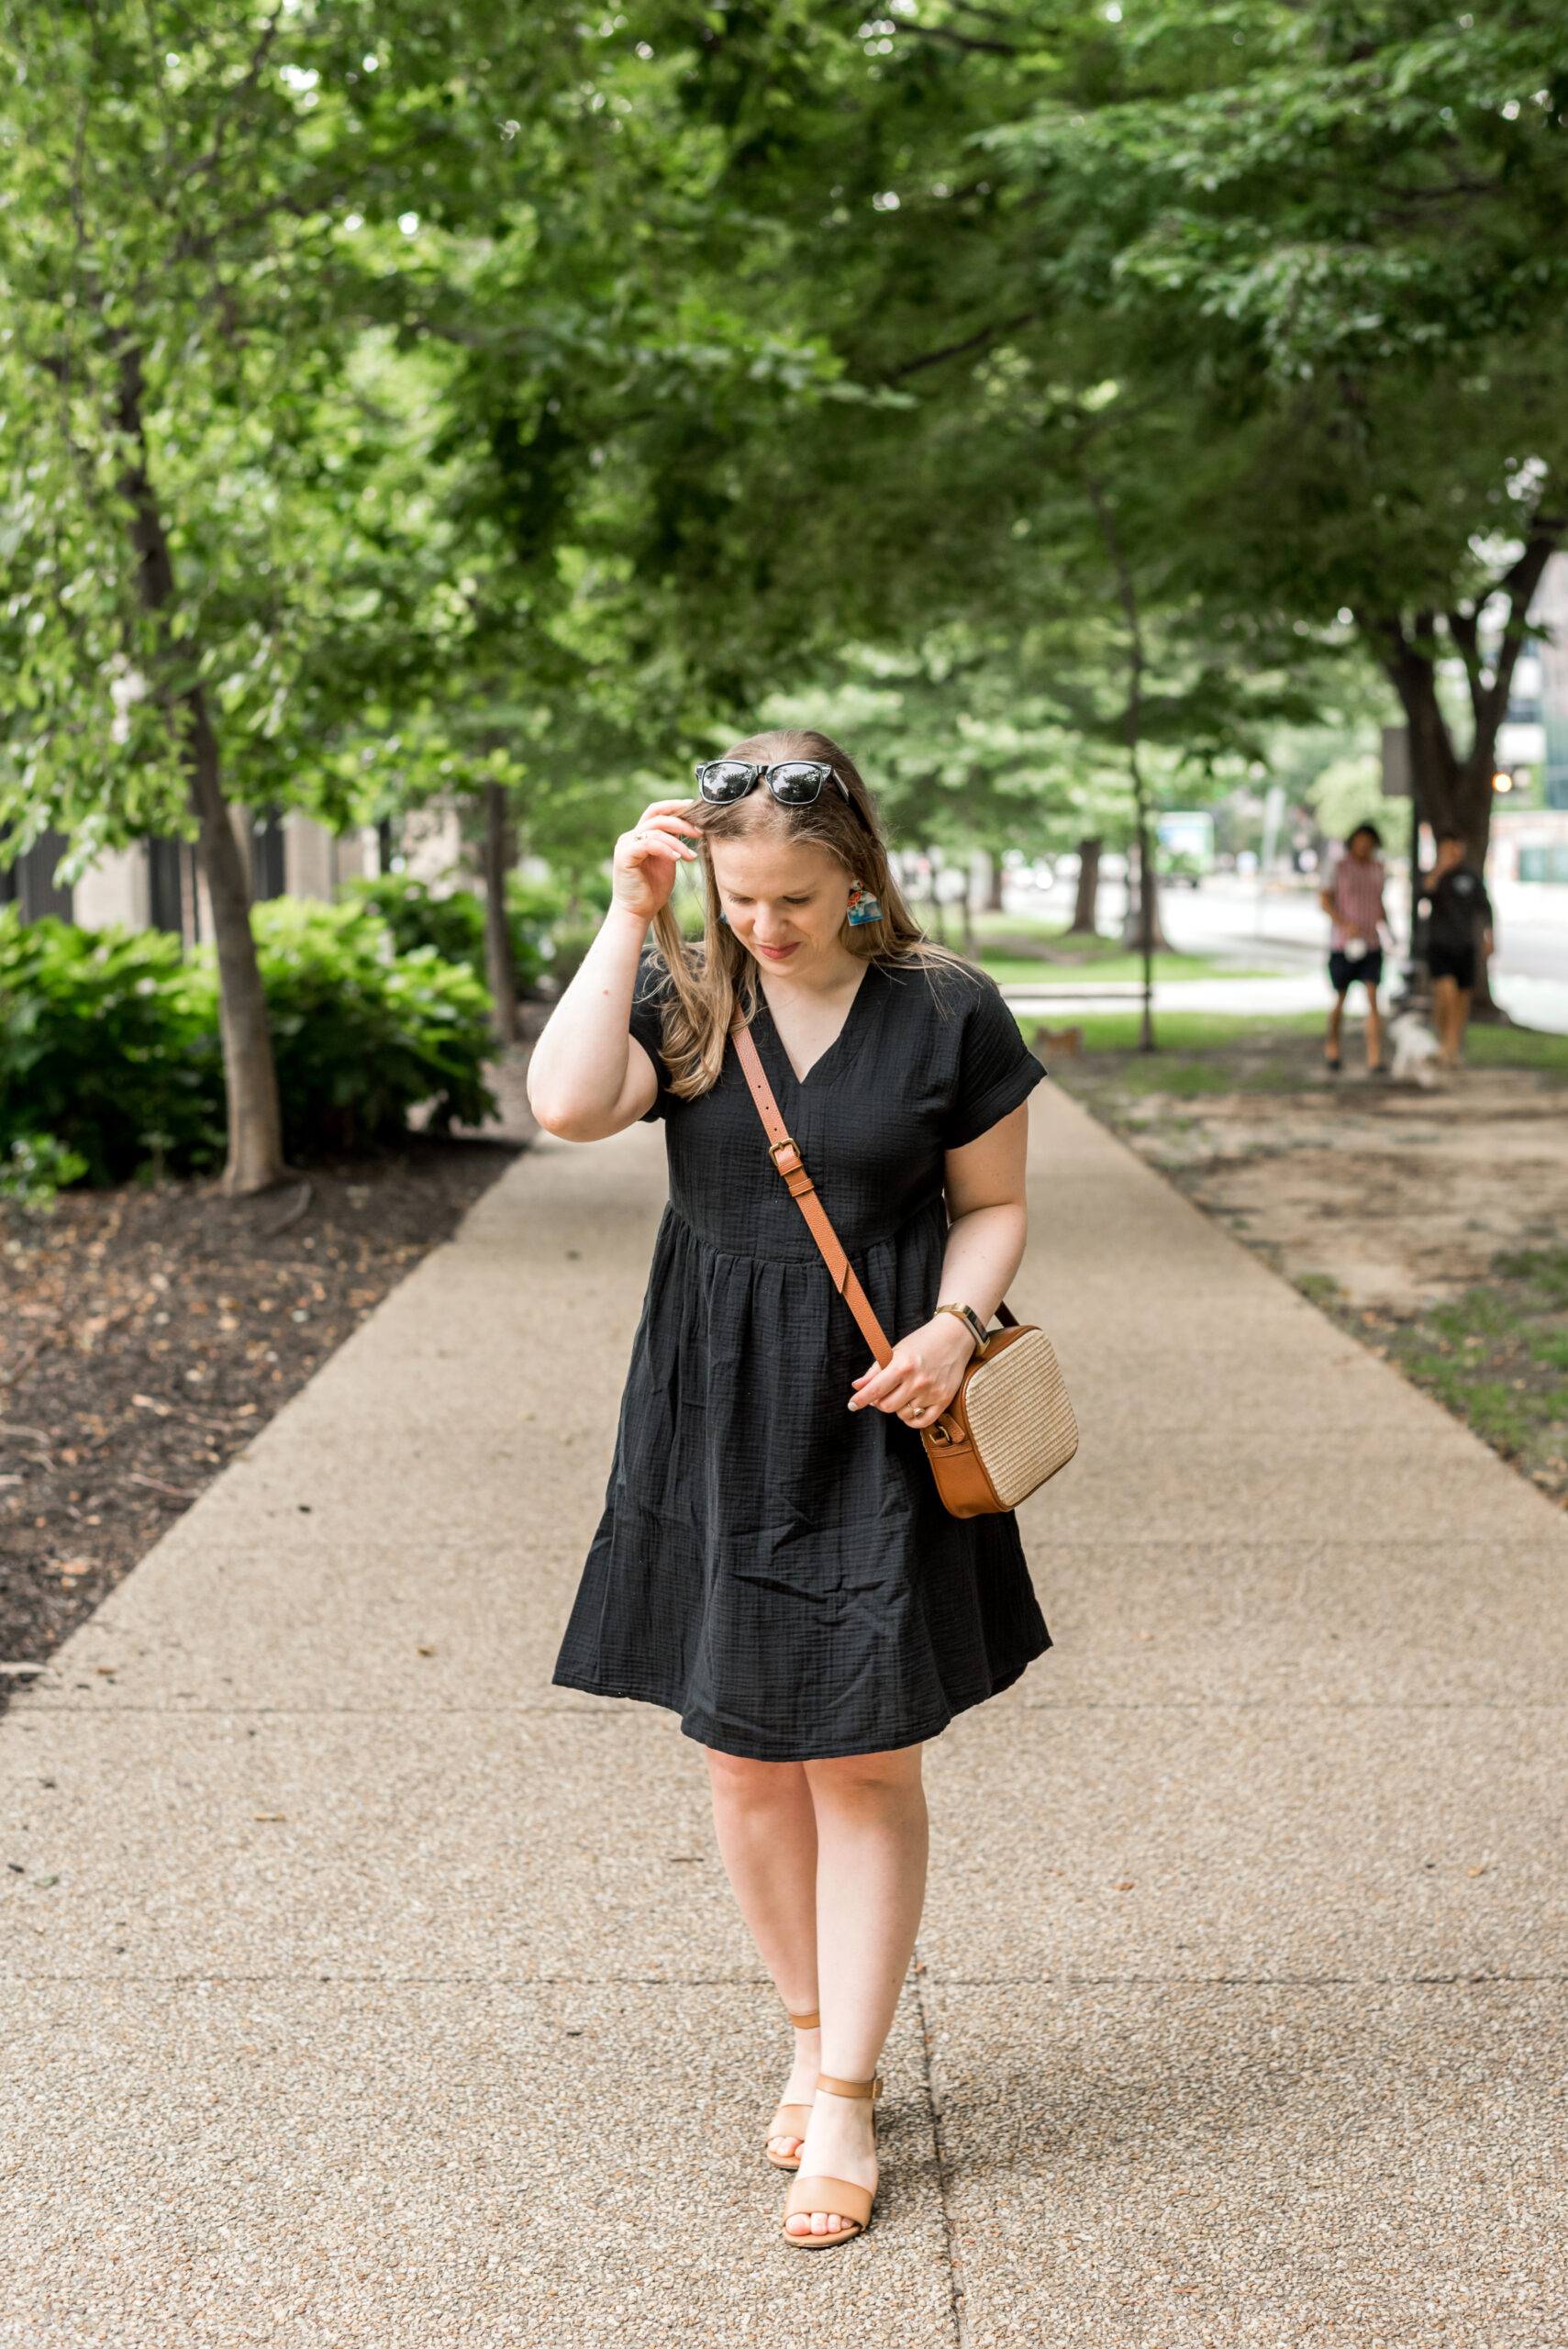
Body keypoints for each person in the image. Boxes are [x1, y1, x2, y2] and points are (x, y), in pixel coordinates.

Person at [528, 729, 1050, 2250]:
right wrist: (630, 911)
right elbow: (564, 1106)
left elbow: (995, 1204)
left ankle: (847, 2094)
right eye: (737, 898)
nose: (764, 928)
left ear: (857, 884)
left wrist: (956, 1332)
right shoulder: (685, 995)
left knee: (864, 1759)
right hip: (713, 1410)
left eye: (795, 904)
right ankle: (810, 2030)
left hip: (885, 1409)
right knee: (743, 1758)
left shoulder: (944, 1010)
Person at [1419, 831, 1495, 1068]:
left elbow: (1485, 907)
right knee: (1446, 994)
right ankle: (1444, 1043)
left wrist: (1489, 937)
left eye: (1455, 849)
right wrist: (1440, 868)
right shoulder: (1434, 876)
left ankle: (1451, 1048)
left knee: (1462, 1000)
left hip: (1465, 946)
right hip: (1439, 945)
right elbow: (1422, 895)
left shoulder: (1470, 877)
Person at [1319, 822, 1388, 1075]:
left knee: (1373, 998)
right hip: (1343, 944)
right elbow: (1325, 901)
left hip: (1371, 942)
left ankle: (1374, 1058)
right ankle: (1333, 1048)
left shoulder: (1378, 869)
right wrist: (1345, 924)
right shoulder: (1338, 867)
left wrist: (1388, 932)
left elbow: (1380, 903)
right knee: (1340, 998)